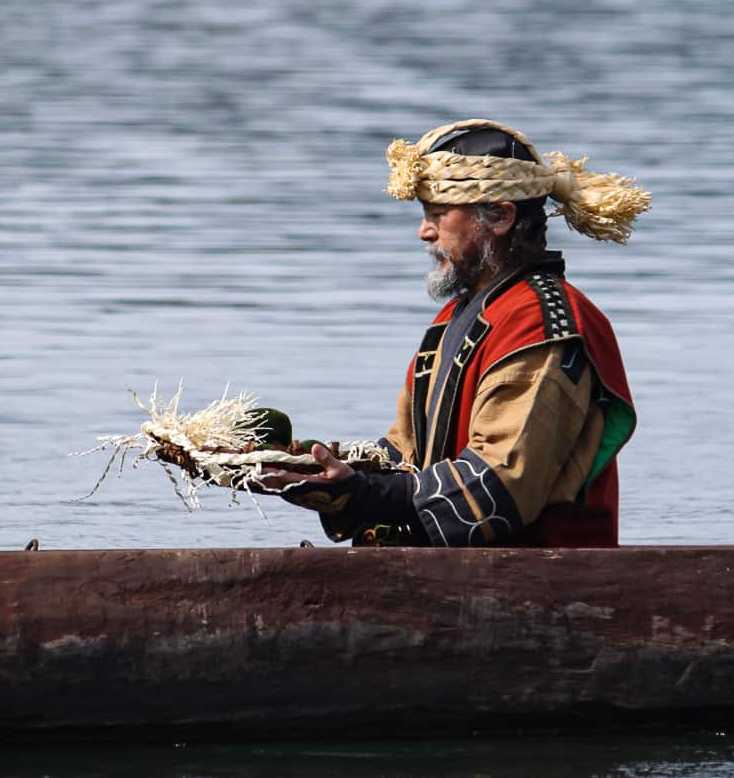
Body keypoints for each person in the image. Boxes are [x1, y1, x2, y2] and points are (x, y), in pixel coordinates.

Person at [260, 119, 649, 548]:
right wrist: (306, 466)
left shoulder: (541, 323)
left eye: (438, 215)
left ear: (500, 216)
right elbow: (406, 453)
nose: (424, 231)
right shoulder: (459, 314)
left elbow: (499, 483)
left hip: (539, 585)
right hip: (460, 581)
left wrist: (362, 494)